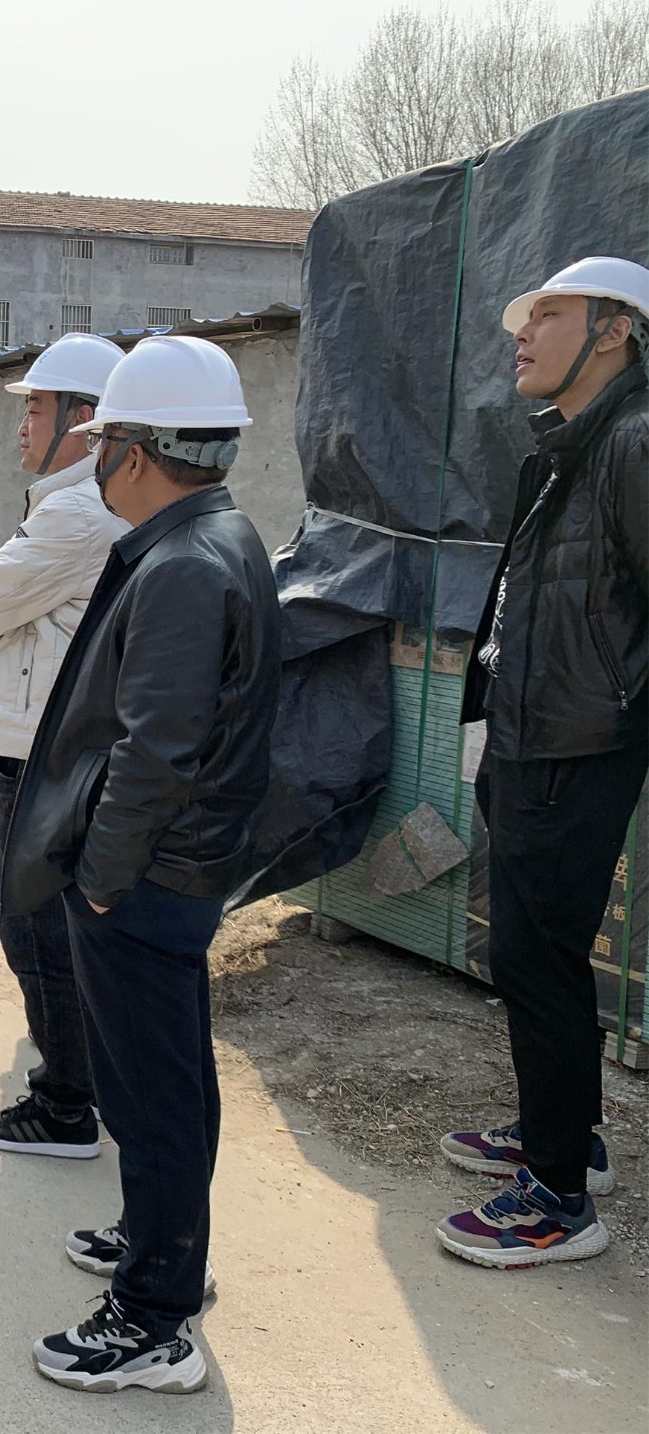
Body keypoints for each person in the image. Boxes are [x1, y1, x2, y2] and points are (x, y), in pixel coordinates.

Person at [1, 336, 278, 1394]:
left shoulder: (184, 564)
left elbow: (155, 754)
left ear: (136, 451)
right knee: (173, 1077)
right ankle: (162, 1240)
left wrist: (103, 881)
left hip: (148, 877)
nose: (95, 460)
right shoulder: (210, 537)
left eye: (102, 441)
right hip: (175, 868)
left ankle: (156, 1319)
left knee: (152, 1095)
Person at [439, 257, 649, 1269]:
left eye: (549, 315)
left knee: (539, 954)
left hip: (580, 741)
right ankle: (565, 1138)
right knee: (529, 952)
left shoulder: (636, 440)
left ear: (614, 330)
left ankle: (560, 1201)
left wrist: (613, 714)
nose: (522, 334)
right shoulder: (565, 446)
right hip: (531, 732)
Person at [0, 334, 127, 1160]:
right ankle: (83, 1070)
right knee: (64, 922)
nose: (22, 425)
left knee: (35, 926)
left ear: (83, 420)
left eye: (36, 408)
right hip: (62, 739)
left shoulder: (76, 512)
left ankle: (64, 1107)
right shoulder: (89, 503)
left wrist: (1, 600)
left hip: (41, 746)